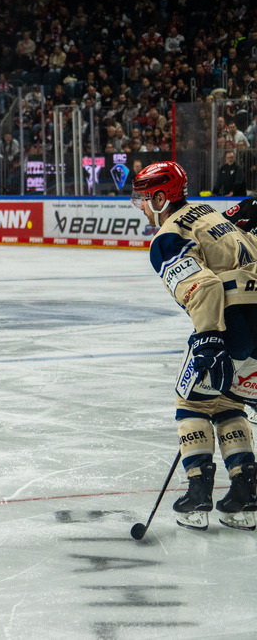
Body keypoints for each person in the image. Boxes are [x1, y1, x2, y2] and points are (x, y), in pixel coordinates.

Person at [131, 161, 257, 531]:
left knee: (191, 401)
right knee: (228, 400)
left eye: (142, 197)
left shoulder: (167, 237)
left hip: (231, 324)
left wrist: (208, 340)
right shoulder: (209, 212)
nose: (140, 204)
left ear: (159, 196)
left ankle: (198, 493)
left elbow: (204, 286)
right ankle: (245, 494)